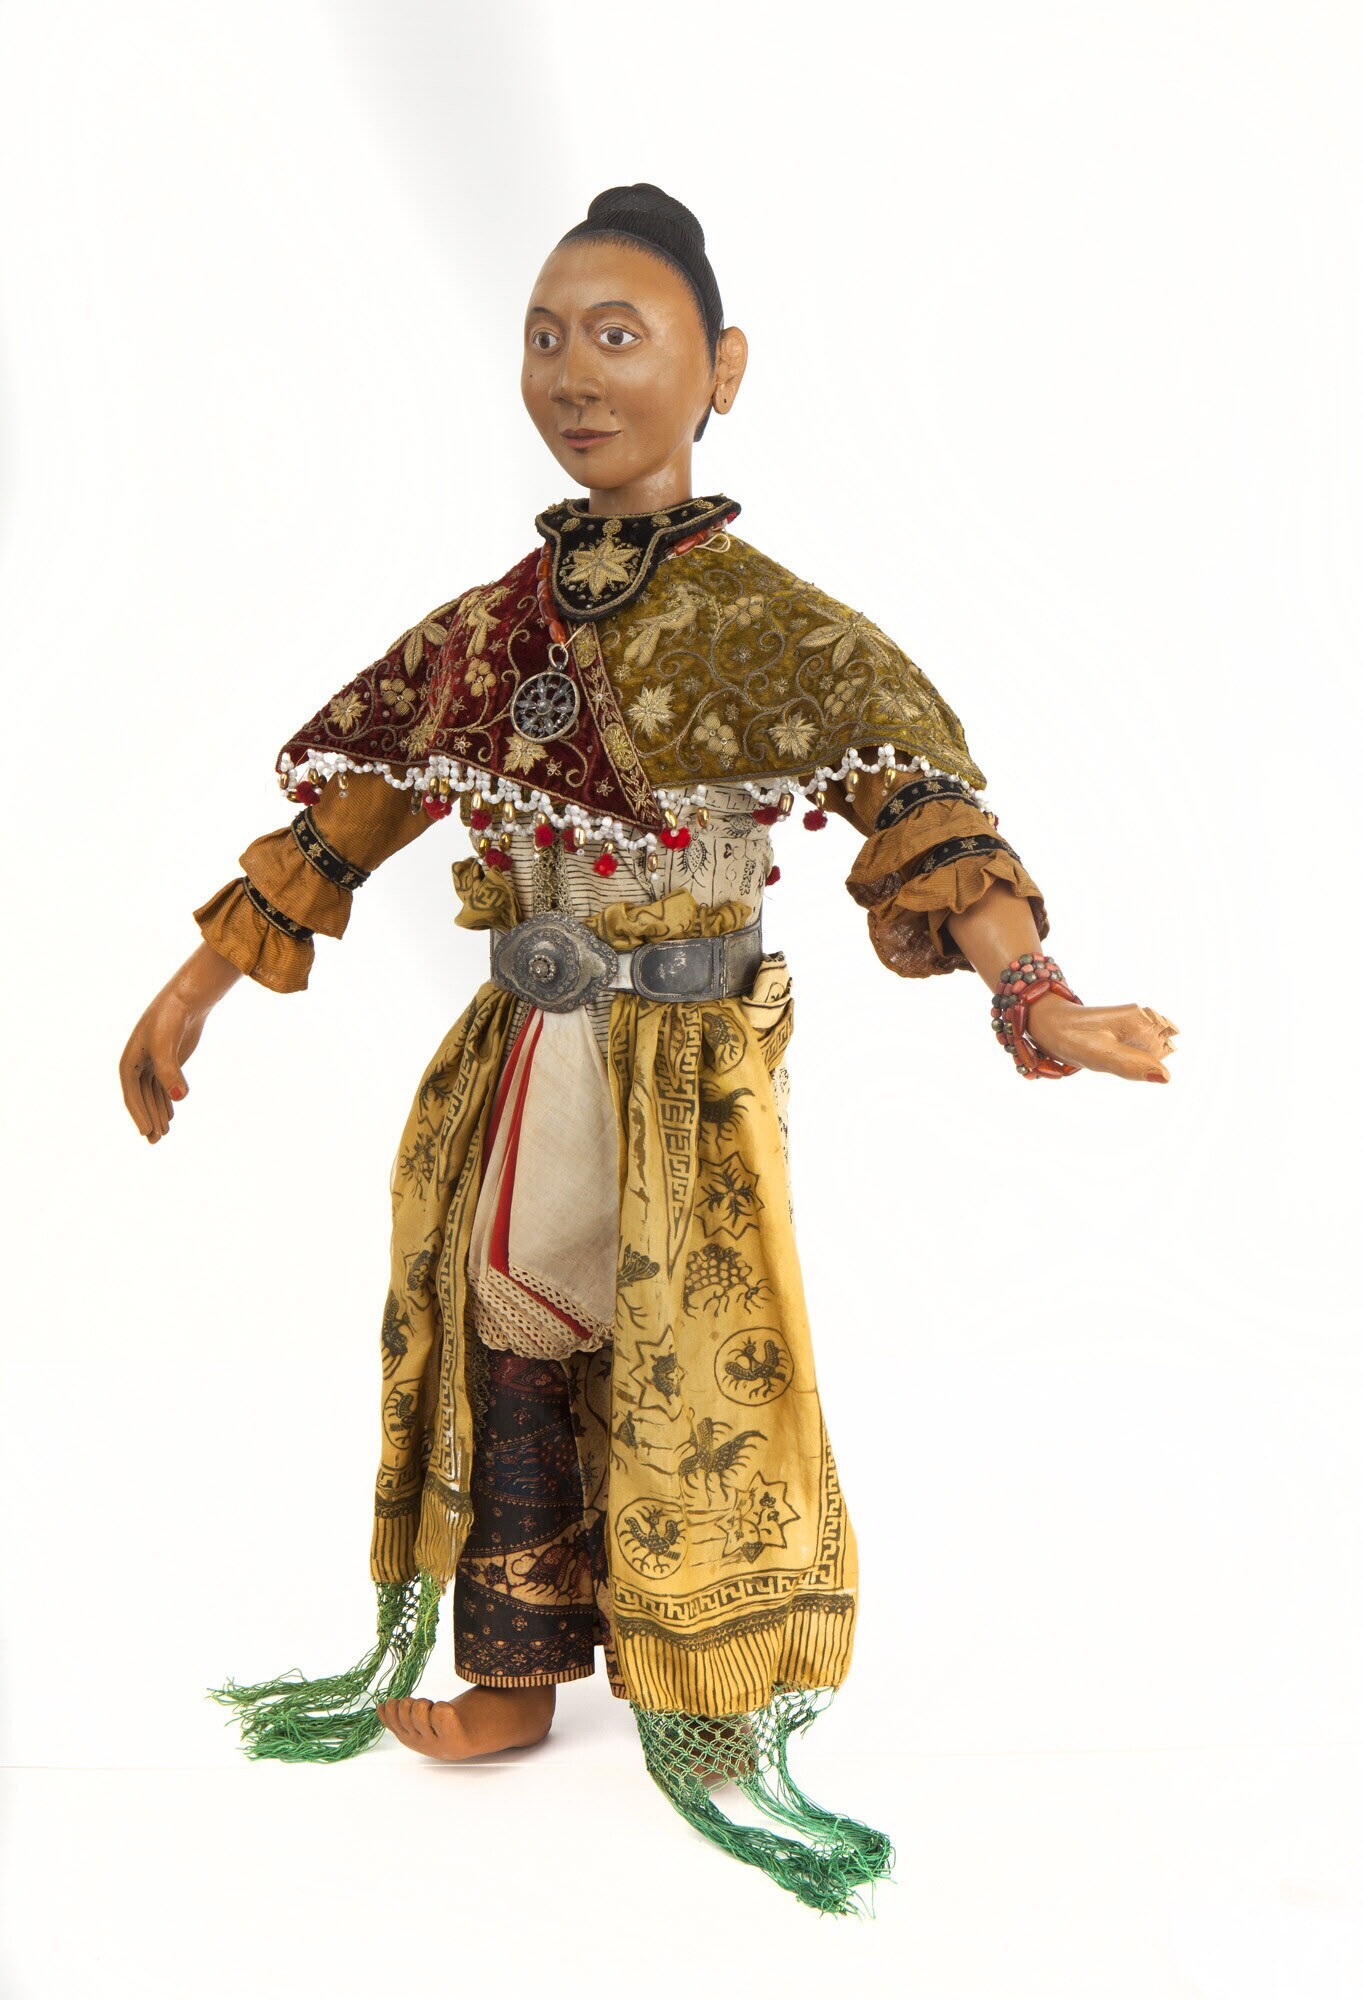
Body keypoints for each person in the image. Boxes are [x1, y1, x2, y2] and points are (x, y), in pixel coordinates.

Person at [119, 183, 1179, 1914]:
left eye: (618, 335)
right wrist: (196, 987)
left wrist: (1032, 994)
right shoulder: (492, 631)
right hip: (527, 1048)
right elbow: (357, 817)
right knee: (506, 1331)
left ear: (720, 369)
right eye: (547, 337)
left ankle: (704, 1677)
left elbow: (916, 810)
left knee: (687, 1350)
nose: (574, 372)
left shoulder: (775, 631)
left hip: (686, 1065)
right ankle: (518, 1667)